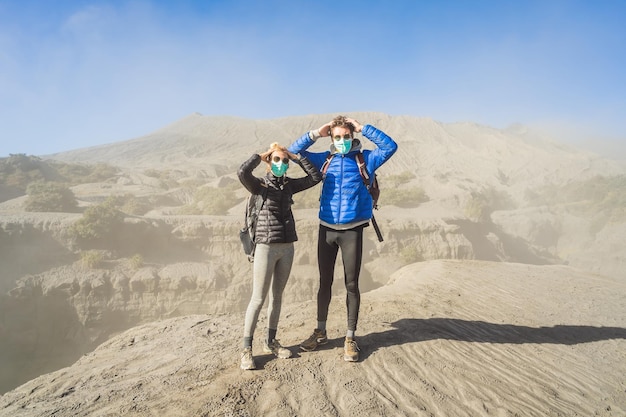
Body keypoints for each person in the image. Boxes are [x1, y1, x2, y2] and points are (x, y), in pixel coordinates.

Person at [288, 115, 398, 362]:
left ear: (352, 136)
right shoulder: (323, 160)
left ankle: (350, 337)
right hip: (326, 228)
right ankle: (320, 331)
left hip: (352, 230)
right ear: (332, 137)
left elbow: (390, 147)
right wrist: (316, 133)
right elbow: (293, 152)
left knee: (351, 285)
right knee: (324, 282)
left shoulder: (366, 159)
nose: (341, 141)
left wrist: (362, 127)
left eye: (346, 137)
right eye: (336, 137)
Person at [237, 142, 322, 370]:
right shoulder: (259, 185)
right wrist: (262, 155)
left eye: (283, 161)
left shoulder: (288, 186)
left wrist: (294, 156)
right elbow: (242, 172)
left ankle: (271, 341)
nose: (281, 164)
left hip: (287, 247)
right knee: (258, 298)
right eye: (277, 160)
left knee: (278, 297)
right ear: (269, 162)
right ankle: (246, 349)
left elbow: (315, 177)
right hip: (265, 246)